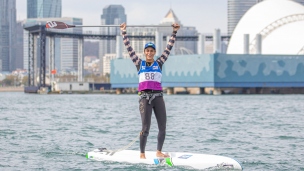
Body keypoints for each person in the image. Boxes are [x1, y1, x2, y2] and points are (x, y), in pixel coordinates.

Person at [120, 22, 180, 159]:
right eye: (147, 50)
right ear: (144, 52)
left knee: (162, 127)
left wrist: (174, 32)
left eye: (152, 51)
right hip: (144, 98)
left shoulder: (159, 62)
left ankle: (159, 151)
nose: (149, 53)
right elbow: (129, 48)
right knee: (145, 128)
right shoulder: (138, 63)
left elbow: (169, 47)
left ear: (154, 52)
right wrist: (124, 32)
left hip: (158, 98)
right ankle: (142, 154)